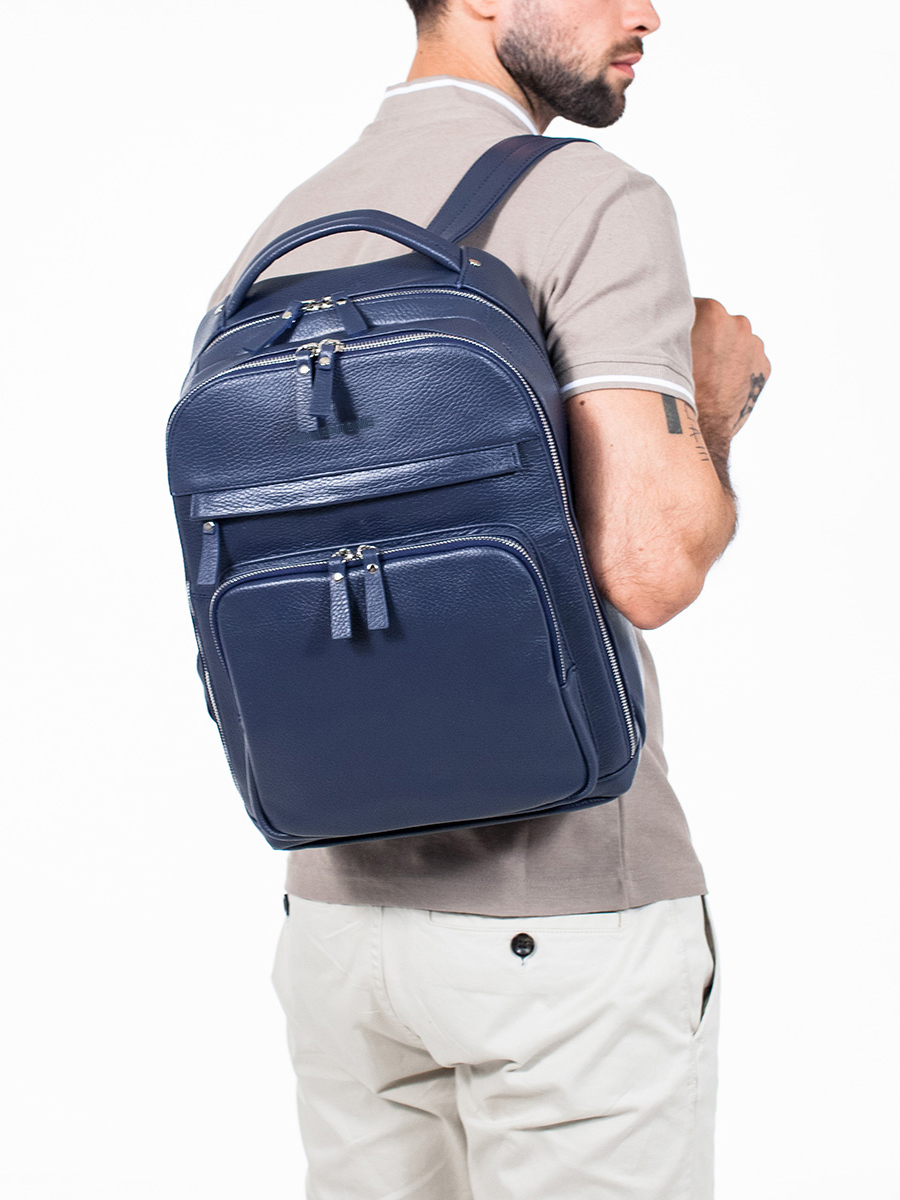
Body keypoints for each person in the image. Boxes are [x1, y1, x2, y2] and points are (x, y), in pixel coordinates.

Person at [208, 1, 770, 1196]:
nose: (647, 12)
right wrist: (715, 408)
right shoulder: (589, 200)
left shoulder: (278, 239)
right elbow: (652, 565)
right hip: (563, 924)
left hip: (337, 928)